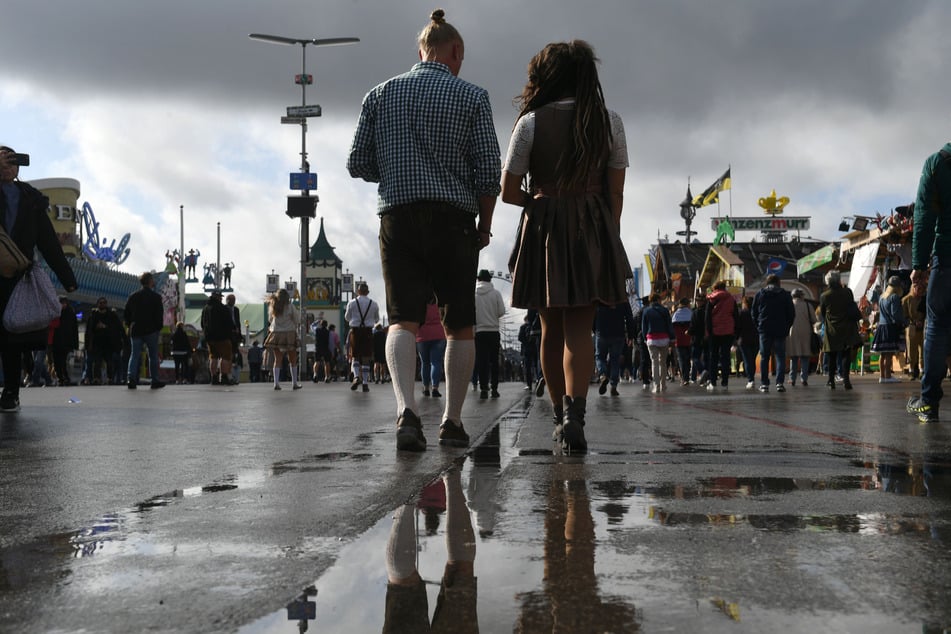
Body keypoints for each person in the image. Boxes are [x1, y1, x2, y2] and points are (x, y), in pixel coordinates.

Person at [347, 9, 500, 451]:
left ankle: (406, 413)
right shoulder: (473, 96)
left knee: (402, 320)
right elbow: (489, 171)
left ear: (420, 51)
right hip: (454, 220)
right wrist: (484, 226)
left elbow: (358, 162)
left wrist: (395, 169)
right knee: (460, 326)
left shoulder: (380, 94)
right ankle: (452, 422)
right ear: (455, 52)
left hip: (399, 216)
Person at [502, 40, 630, 453]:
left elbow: (507, 190)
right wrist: (604, 231)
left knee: (549, 329)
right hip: (592, 230)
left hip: (545, 234)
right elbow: (616, 193)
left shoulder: (530, 123)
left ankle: (559, 416)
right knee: (581, 328)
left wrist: (540, 204)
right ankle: (577, 415)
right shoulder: (610, 122)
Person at [751, 274, 795, 393]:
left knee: (764, 357)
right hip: (780, 330)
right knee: (780, 356)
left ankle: (764, 384)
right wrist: (787, 327)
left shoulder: (760, 294)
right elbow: (791, 313)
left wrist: (759, 326)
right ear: (778, 282)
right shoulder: (785, 295)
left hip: (764, 330)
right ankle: (779, 383)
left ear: (767, 282)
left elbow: (753, 313)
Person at [123, 271, 166, 389]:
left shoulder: (133, 296)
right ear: (150, 281)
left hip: (136, 329)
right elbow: (159, 314)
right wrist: (158, 327)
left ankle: (131, 378)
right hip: (151, 330)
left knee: (134, 355)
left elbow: (126, 312)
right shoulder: (156, 297)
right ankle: (155, 380)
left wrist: (129, 324)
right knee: (152, 356)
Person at [819, 270, 860, 391]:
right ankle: (846, 380)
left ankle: (831, 381)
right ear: (839, 280)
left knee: (832, 355)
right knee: (846, 354)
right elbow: (851, 305)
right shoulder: (847, 292)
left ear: (828, 282)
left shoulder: (824, 296)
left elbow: (822, 312)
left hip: (832, 329)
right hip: (847, 327)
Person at [474, 269, 506, 399]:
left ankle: (483, 388)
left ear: (478, 279)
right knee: (494, 361)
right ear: (490, 279)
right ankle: (494, 388)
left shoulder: (474, 295)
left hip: (480, 332)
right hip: (493, 331)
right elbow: (501, 311)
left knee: (482, 361)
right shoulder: (496, 293)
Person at [594, 300, 636, 396]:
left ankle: (603, 375)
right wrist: (630, 335)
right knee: (615, 360)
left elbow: (593, 314)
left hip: (601, 332)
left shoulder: (600, 295)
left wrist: (595, 329)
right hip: (618, 333)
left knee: (600, 357)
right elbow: (629, 317)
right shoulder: (622, 298)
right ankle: (613, 386)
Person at [344, 281, 379, 392]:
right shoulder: (374, 304)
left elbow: (347, 318)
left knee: (355, 356)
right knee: (366, 358)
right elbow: (377, 319)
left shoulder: (352, 303)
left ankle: (355, 377)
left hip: (355, 330)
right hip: (368, 331)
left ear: (357, 291)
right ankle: (364, 382)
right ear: (367, 292)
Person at [263, 287, 301, 390]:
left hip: (276, 334)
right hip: (289, 333)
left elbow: (270, 320)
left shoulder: (274, 306)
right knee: (292, 359)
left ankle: (276, 383)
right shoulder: (290, 307)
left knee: (277, 359)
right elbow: (297, 319)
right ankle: (294, 383)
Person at [705, 280, 739, 392]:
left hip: (714, 332)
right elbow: (735, 315)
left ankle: (713, 382)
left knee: (713, 357)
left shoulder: (711, 299)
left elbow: (707, 317)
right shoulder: (731, 299)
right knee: (725, 357)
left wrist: (708, 331)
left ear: (715, 288)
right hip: (728, 331)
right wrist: (735, 332)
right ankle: (725, 383)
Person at [872, 275, 906, 384]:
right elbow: (895, 314)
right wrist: (904, 321)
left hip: (881, 326)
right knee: (889, 354)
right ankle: (888, 376)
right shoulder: (894, 297)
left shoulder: (882, 296)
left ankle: (882, 376)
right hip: (890, 327)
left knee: (882, 354)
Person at [85, 297, 123, 385]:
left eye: (104, 303)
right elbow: (89, 330)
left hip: (108, 343)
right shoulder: (93, 316)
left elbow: (116, 329)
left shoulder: (111, 315)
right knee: (97, 362)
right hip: (97, 343)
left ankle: (110, 378)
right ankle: (96, 378)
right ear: (97, 304)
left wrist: (105, 327)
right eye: (100, 303)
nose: (102, 304)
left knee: (109, 361)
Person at [200, 290, 235, 386]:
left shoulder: (206, 308)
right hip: (222, 337)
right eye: (220, 297)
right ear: (217, 297)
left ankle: (214, 377)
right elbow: (229, 323)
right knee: (225, 356)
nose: (221, 298)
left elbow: (202, 323)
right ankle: (224, 377)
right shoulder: (222, 308)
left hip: (210, 338)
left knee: (213, 357)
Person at [641, 293, 673, 394]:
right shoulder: (665, 310)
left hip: (652, 339)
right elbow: (669, 325)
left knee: (654, 363)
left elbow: (643, 327)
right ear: (659, 300)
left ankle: (656, 386)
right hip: (664, 339)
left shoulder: (646, 311)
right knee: (662, 363)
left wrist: (645, 339)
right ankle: (663, 385)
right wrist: (672, 338)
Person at [417, 298, 447, 398]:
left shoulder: (420, 302)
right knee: (436, 362)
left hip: (422, 335)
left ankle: (426, 388)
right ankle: (435, 388)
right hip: (438, 334)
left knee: (424, 363)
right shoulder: (439, 301)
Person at [787, 288, 817, 387]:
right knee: (805, 357)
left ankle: (792, 379)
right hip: (806, 332)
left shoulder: (789, 305)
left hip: (793, 332)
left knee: (794, 357)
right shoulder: (808, 306)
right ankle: (804, 378)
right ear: (801, 296)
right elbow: (814, 319)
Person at [50, 297, 79, 386]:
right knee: (57, 361)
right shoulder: (55, 313)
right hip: (56, 342)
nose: (63, 305)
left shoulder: (71, 314)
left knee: (65, 361)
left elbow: (74, 330)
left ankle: (66, 377)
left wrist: (75, 344)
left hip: (67, 342)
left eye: (64, 303)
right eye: (61, 303)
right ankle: (60, 377)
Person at [901, 280, 926, 380]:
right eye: (918, 288)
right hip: (911, 327)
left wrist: (922, 321)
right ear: (913, 288)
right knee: (912, 349)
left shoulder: (924, 299)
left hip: (923, 326)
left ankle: (922, 370)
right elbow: (903, 315)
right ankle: (911, 370)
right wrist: (913, 322)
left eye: (922, 289)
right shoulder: (906, 299)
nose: (920, 291)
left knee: (923, 350)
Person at [735, 296, 758, 390]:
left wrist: (736, 339)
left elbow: (737, 327)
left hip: (743, 340)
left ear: (745, 303)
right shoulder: (756, 313)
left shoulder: (741, 313)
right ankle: (752, 377)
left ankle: (750, 380)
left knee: (747, 360)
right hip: (756, 339)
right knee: (752, 360)